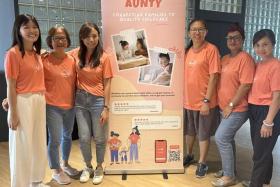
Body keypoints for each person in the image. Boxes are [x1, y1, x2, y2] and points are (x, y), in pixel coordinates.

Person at [4, 14, 48, 187]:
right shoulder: (13, 54)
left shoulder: (37, 54)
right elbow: (11, 85)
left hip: (39, 100)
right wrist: (13, 113)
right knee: (22, 145)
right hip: (23, 102)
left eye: (34, 27)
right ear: (18, 30)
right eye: (26, 27)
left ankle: (35, 181)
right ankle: (20, 184)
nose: (32, 30)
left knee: (38, 142)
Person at [68, 22, 113, 185]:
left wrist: (106, 107)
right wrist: (44, 53)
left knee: (100, 138)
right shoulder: (75, 54)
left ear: (98, 36)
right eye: (87, 36)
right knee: (84, 137)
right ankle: (88, 167)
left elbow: (107, 83)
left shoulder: (104, 57)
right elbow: (57, 56)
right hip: (80, 100)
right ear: (82, 37)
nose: (91, 39)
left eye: (94, 36)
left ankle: (99, 166)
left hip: (98, 102)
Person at [211, 23, 255, 187]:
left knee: (221, 137)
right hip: (223, 108)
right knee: (228, 139)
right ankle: (229, 170)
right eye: (230, 38)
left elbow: (245, 85)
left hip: (237, 109)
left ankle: (229, 177)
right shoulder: (225, 58)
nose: (232, 41)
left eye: (236, 38)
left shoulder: (246, 59)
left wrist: (230, 104)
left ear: (242, 40)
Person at [183, 19, 221, 178]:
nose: (196, 32)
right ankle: (189, 155)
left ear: (205, 32)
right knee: (190, 131)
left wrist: (206, 100)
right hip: (188, 101)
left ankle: (202, 162)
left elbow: (214, 77)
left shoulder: (211, 50)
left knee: (203, 134)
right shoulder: (187, 51)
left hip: (204, 102)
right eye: (193, 29)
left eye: (200, 29)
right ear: (189, 32)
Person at [244, 29, 280, 187]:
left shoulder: (276, 66)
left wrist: (269, 122)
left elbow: (277, 96)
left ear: (273, 44)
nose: (261, 48)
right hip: (255, 110)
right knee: (263, 150)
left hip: (267, 112)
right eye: (257, 45)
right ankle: (265, 181)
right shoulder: (258, 64)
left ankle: (255, 184)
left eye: (265, 44)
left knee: (259, 154)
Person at [43, 26, 78, 185]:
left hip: (70, 105)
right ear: (50, 41)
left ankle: (65, 163)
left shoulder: (72, 59)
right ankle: (56, 170)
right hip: (52, 106)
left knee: (67, 136)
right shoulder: (43, 59)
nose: (60, 41)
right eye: (56, 38)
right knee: (55, 139)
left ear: (67, 40)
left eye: (63, 38)